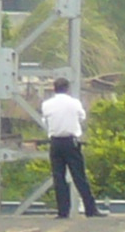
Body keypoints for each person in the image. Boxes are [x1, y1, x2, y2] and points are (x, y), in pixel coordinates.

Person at [39, 77, 103, 218]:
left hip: (55, 142)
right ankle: (90, 209)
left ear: (54, 89)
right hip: (71, 142)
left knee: (58, 177)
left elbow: (45, 119)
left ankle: (63, 211)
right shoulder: (74, 103)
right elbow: (82, 117)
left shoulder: (47, 104)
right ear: (67, 89)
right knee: (79, 176)